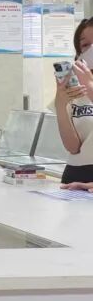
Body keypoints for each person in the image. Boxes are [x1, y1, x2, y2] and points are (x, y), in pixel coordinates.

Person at [56, 17, 93, 189]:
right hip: (75, 177)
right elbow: (73, 147)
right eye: (85, 45)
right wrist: (60, 104)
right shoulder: (75, 90)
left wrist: (90, 85)